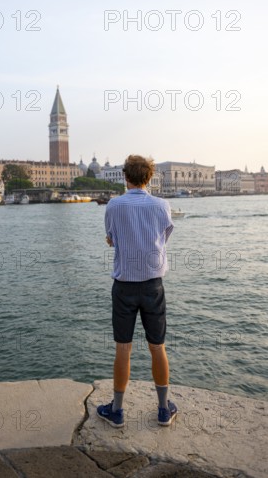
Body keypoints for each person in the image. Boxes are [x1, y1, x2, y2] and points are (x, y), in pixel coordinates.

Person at [97, 155, 177, 428]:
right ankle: (164, 409)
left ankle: (117, 411)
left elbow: (111, 239)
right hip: (153, 285)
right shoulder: (162, 205)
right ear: (149, 177)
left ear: (124, 176)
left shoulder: (114, 205)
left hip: (124, 287)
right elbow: (163, 238)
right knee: (158, 347)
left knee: (123, 348)